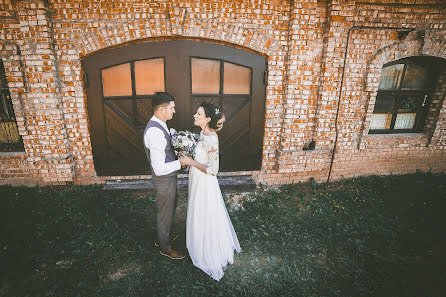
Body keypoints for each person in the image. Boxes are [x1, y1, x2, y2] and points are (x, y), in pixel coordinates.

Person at [179, 102, 241, 281]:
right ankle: (198, 242)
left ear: (206, 119)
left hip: (205, 182)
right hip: (197, 178)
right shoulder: (202, 133)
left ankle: (208, 249)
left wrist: (190, 162)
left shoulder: (211, 139)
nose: (194, 116)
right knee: (198, 210)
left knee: (204, 212)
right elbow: (200, 155)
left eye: (198, 114)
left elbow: (213, 170)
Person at [143, 92, 185, 260]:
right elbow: (159, 168)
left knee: (169, 209)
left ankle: (163, 237)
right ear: (161, 109)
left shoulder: (160, 124)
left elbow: (164, 152)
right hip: (164, 179)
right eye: (172, 108)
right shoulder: (155, 132)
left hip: (168, 178)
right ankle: (165, 248)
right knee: (165, 213)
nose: (174, 111)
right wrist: (181, 163)